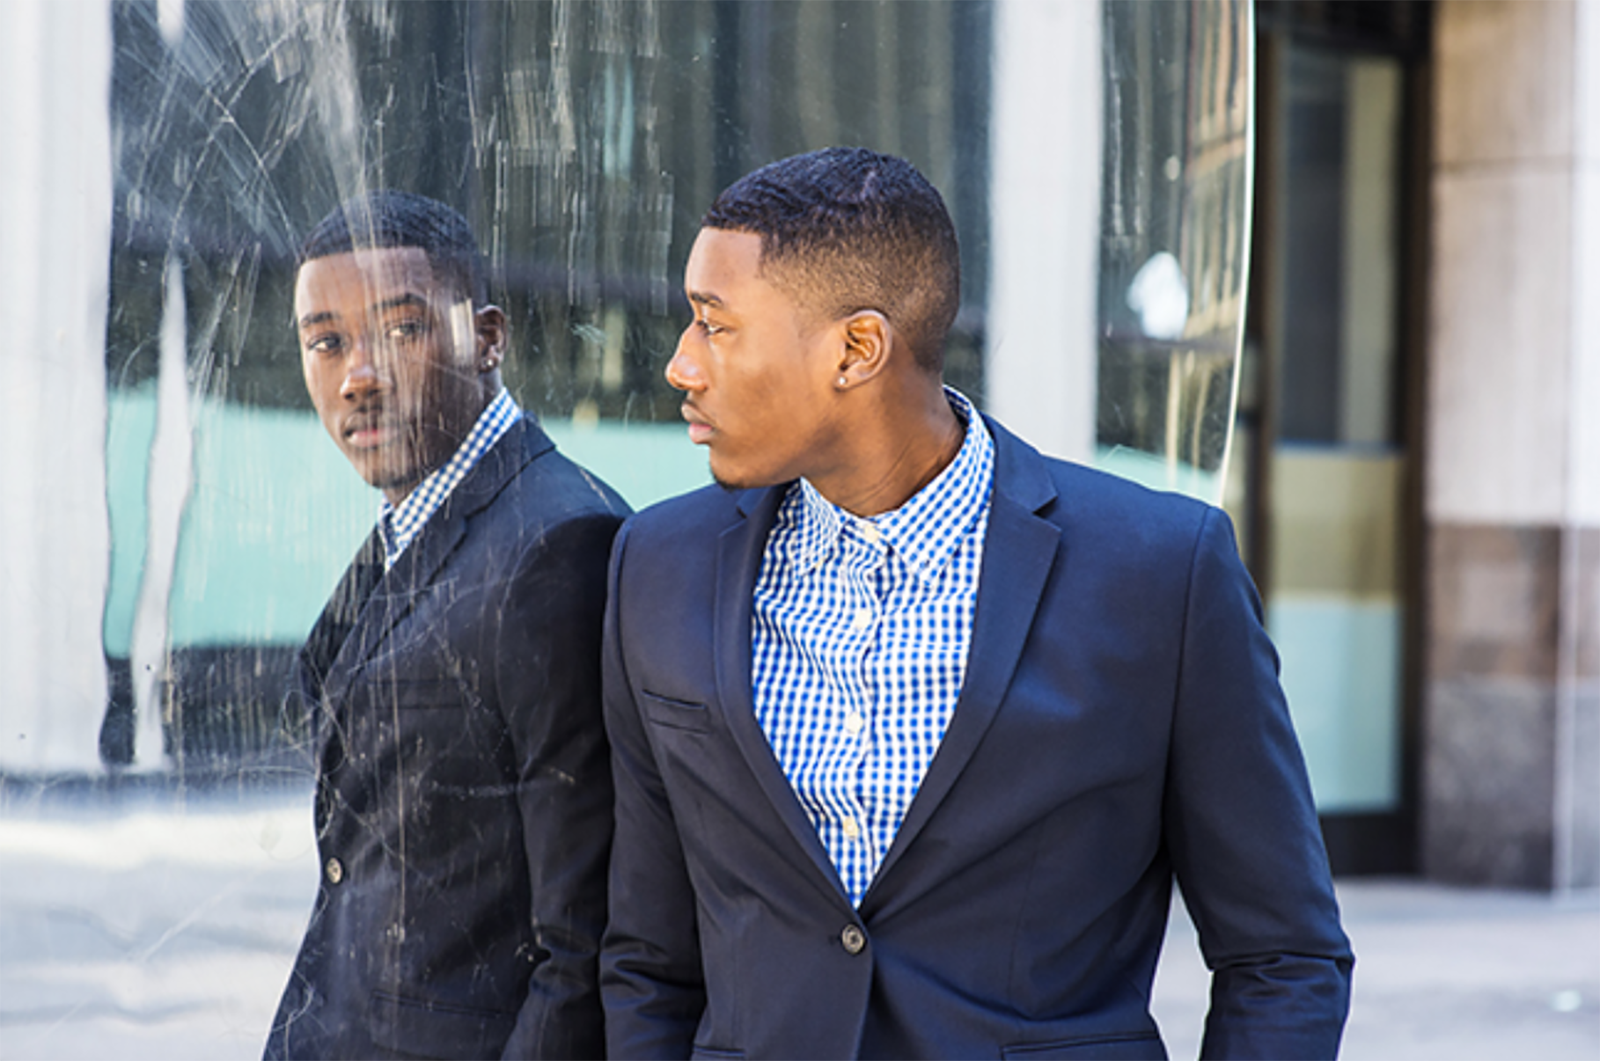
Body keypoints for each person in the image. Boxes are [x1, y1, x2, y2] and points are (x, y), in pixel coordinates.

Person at [599, 148, 1352, 1059]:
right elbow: (648, 958)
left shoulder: (1162, 572)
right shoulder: (657, 564)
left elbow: (1283, 954)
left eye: (715, 326)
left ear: (857, 349)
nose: (682, 365)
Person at [265, 190, 628, 1060]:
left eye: (401, 331)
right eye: (327, 342)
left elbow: (583, 940)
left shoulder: (556, 544)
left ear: (488, 337)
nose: (359, 374)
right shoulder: (416, 517)